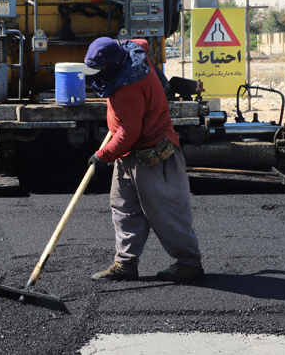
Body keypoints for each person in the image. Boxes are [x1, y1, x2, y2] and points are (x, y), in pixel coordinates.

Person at [83, 37, 202, 282]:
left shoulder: (129, 87)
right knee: (124, 209)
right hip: (127, 153)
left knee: (166, 210)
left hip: (154, 153)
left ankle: (189, 264)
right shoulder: (129, 49)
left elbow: (130, 132)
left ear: (112, 65)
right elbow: (144, 41)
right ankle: (125, 264)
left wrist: (101, 156)